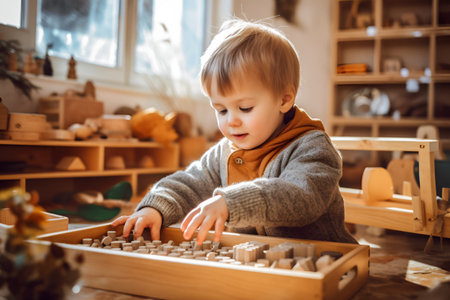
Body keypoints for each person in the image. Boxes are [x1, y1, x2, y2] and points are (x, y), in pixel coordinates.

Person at [112, 19, 357, 245]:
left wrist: (231, 202)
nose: (232, 122)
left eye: (245, 108)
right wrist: (154, 208)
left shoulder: (313, 147)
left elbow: (301, 198)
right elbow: (189, 182)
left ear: (284, 99)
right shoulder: (225, 151)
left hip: (324, 258)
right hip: (259, 260)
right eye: (221, 110)